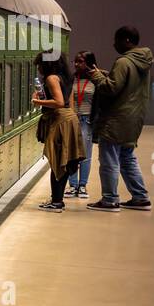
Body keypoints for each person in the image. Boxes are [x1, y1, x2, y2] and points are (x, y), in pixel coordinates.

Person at [85, 26, 154, 212]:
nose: (113, 44)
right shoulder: (142, 61)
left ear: (126, 40)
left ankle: (109, 200)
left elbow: (110, 89)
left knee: (109, 160)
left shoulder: (123, 62)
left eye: (116, 40)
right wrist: (106, 74)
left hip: (117, 119)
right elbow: (126, 85)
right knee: (127, 157)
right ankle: (140, 197)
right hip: (134, 119)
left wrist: (95, 75)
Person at [31, 52, 85, 212]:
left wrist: (37, 101)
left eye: (40, 64)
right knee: (65, 161)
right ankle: (57, 200)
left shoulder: (51, 78)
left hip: (60, 120)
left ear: (48, 64)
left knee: (57, 162)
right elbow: (69, 101)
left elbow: (59, 102)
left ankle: (56, 202)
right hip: (69, 119)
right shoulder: (66, 77)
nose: (39, 68)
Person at [67, 51, 97, 197]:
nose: (77, 64)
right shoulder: (72, 79)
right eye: (75, 61)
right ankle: (72, 185)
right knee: (71, 153)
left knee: (85, 154)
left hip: (87, 120)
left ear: (89, 62)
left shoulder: (96, 79)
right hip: (73, 118)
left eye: (80, 61)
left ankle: (83, 185)